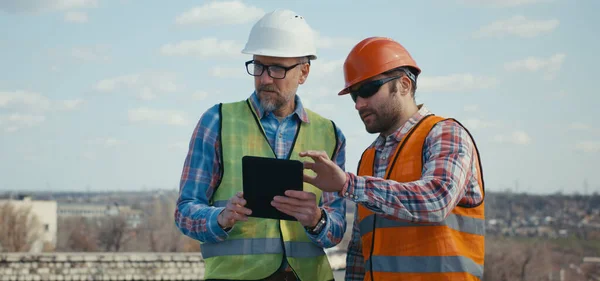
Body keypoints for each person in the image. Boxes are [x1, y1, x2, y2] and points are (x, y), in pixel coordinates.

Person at [174, 9, 347, 281]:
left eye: (277, 68)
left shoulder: (330, 134)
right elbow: (185, 211)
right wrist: (221, 218)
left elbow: (336, 229)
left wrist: (317, 219)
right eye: (258, 66)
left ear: (304, 72)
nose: (265, 79)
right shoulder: (217, 121)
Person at [300, 37, 485, 281]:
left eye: (368, 90)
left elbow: (436, 200)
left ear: (405, 85)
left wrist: (347, 183)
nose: (359, 104)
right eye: (354, 95)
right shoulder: (369, 157)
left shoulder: (445, 134)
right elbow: (359, 251)